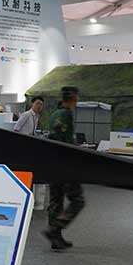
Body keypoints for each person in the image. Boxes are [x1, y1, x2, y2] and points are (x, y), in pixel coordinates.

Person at [42, 86, 84, 251]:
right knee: (78, 200)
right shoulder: (65, 115)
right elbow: (62, 140)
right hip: (64, 164)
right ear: (73, 98)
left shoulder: (55, 114)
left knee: (56, 201)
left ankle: (56, 239)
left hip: (52, 164)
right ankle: (54, 229)